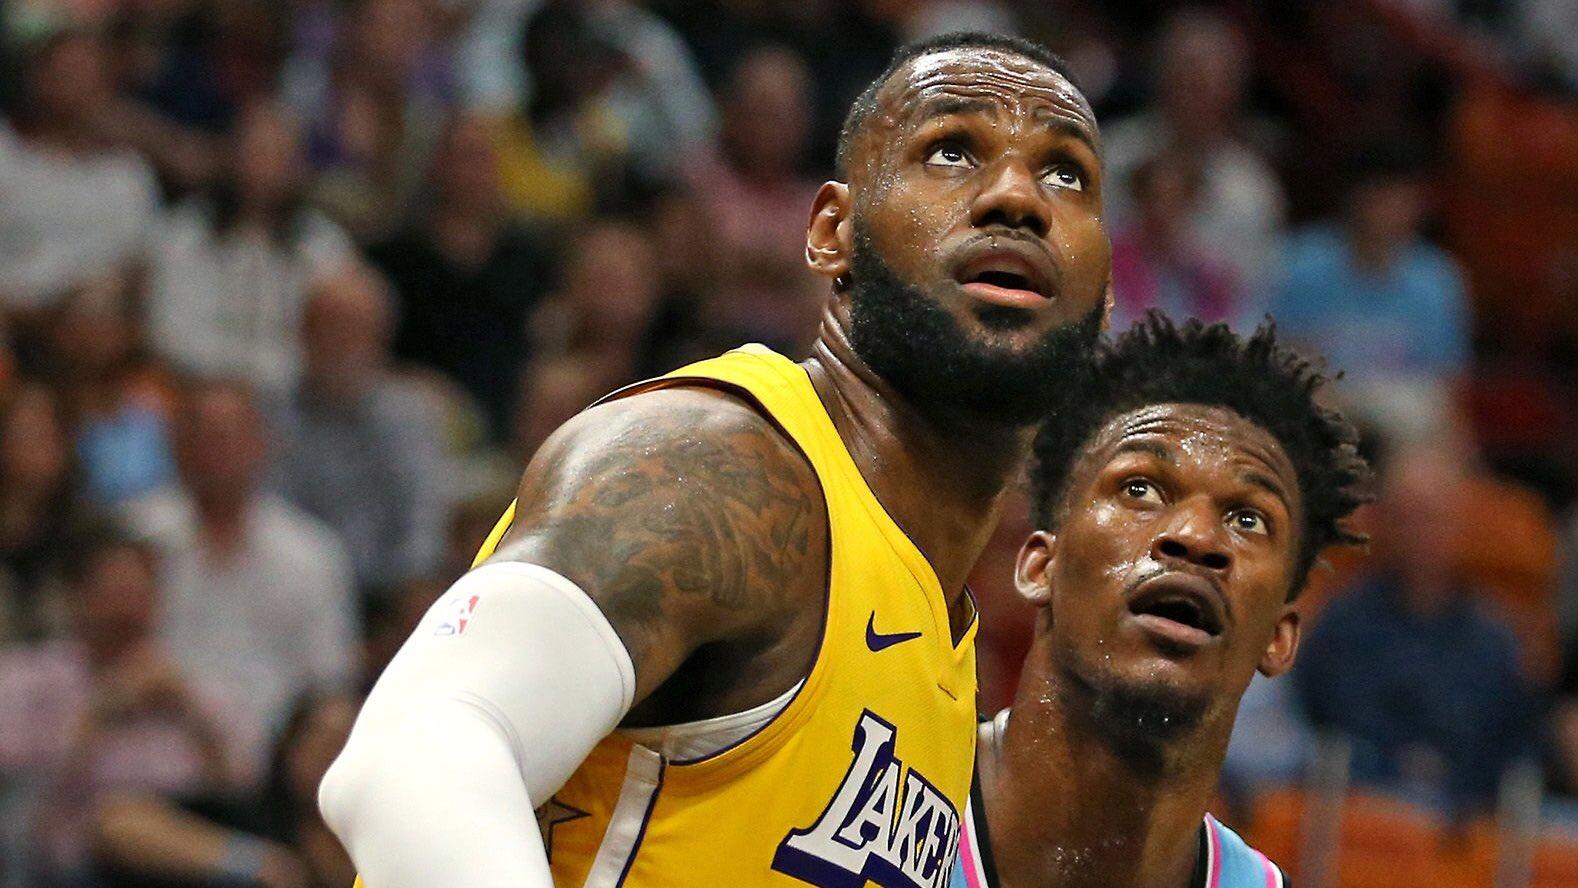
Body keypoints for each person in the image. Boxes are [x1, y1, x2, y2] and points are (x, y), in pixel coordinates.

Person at [321, 31, 1112, 886]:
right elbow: (418, 752)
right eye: (951, 151)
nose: (1017, 196)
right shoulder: (721, 463)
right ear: (833, 234)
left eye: (1066, 173)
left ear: (1105, 293)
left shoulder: (942, 646)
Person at [952, 315, 1371, 888]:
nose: (1196, 537)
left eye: (1248, 519)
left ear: (1278, 638)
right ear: (1041, 567)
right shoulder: (867, 800)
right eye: (1140, 488)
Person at [124, 378, 359, 789]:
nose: (216, 452)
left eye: (229, 436)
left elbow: (328, 680)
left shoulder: (312, 553)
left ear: (262, 444)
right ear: (176, 445)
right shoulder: (133, 536)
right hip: (150, 759)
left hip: (274, 771)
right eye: (201, 436)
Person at [1293, 446, 1538, 814]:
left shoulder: (1494, 639)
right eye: (1408, 518)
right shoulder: (1344, 624)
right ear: (1385, 525)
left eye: (1435, 518)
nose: (1422, 535)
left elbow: (1513, 746)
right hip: (1365, 809)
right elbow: (1329, 725)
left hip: (1467, 818)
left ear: (1458, 525)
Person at [275, 264, 451, 594]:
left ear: (382, 339)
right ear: (302, 334)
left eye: (355, 332)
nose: (340, 345)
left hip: (389, 594)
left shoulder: (410, 416)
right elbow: (271, 517)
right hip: (295, 589)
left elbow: (423, 526)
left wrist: (405, 596)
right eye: (327, 329)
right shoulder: (273, 415)